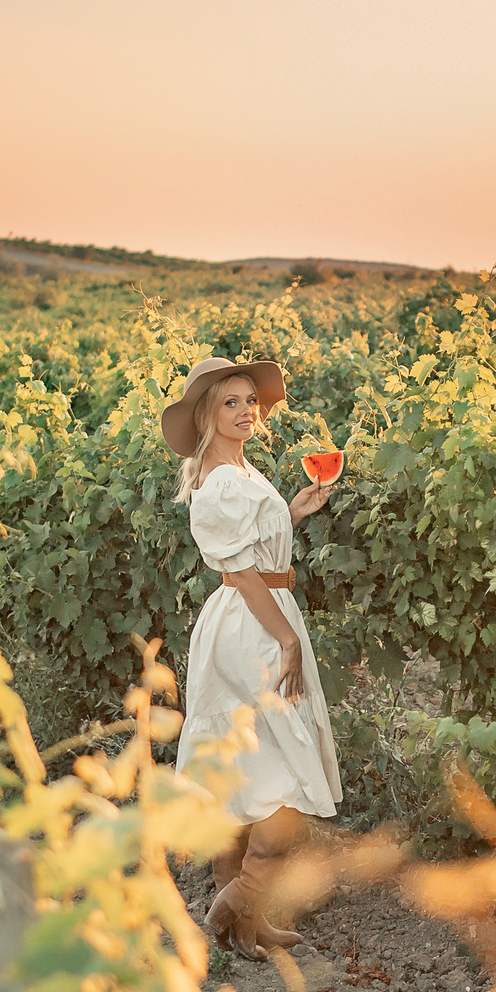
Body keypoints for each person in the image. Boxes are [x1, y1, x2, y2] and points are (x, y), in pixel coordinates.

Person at [162, 356, 342, 957]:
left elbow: (253, 548)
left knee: (247, 763)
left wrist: (291, 513)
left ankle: (245, 924)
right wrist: (286, 640)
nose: (247, 411)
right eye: (231, 402)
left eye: (250, 401)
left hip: (260, 612)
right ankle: (234, 903)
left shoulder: (240, 470)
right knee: (284, 769)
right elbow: (239, 571)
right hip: (253, 623)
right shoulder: (218, 481)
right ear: (207, 415)